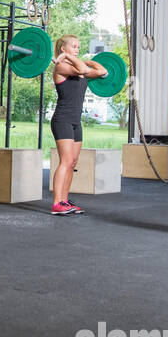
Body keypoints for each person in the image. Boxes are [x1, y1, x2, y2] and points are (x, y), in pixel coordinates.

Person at [48, 35, 107, 215]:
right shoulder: (61, 66)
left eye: (78, 47)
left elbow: (103, 71)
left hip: (75, 121)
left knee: (73, 162)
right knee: (65, 161)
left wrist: (88, 60)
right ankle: (57, 203)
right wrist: (67, 58)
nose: (77, 49)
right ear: (63, 49)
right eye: (73, 47)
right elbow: (81, 68)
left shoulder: (78, 69)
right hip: (62, 120)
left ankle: (65, 200)